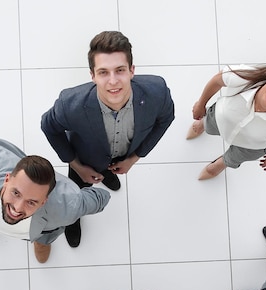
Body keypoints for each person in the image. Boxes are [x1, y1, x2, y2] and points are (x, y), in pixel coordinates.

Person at [41, 30, 175, 247]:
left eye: (120, 70)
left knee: (108, 167)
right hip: (84, 159)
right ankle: (73, 219)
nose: (113, 82)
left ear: (132, 70)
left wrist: (134, 158)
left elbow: (166, 118)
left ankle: (106, 172)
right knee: (76, 191)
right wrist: (76, 165)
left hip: (122, 154)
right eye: (103, 72)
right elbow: (48, 126)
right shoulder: (70, 104)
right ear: (92, 75)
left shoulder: (157, 91)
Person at [0, 114, 111, 263]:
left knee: (45, 233)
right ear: (7, 179)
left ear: (44, 201)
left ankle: (41, 241)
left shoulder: (66, 206)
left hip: (41, 228)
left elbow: (101, 197)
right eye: (16, 193)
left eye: (31, 202)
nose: (17, 209)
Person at [186, 57, 266, 179]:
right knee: (209, 125)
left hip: (251, 147)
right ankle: (203, 125)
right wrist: (201, 104)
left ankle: (217, 166)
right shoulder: (245, 76)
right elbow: (217, 80)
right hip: (220, 119)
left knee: (232, 159)